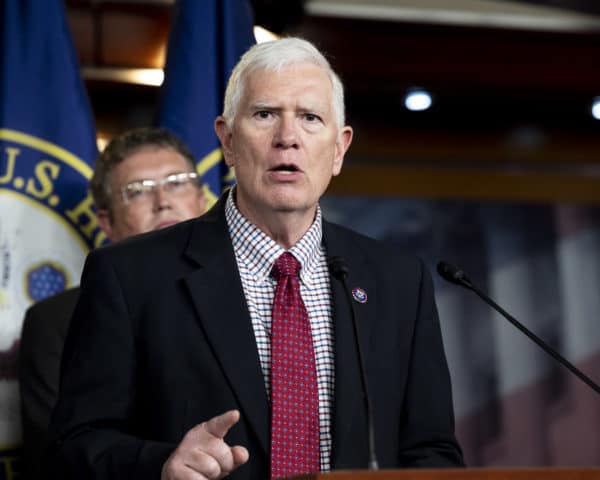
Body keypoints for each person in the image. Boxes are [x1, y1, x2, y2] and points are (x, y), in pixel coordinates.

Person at [48, 38, 464, 479]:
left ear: (339, 149)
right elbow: (74, 447)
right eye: (265, 115)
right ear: (228, 140)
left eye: (310, 118)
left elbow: (431, 450)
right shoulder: (130, 276)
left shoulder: (397, 280)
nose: (288, 139)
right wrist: (161, 465)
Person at [19, 127, 207, 479]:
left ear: (202, 198)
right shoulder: (54, 321)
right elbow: (58, 455)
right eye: (137, 191)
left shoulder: (247, 293)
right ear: (106, 222)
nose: (163, 200)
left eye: (177, 182)